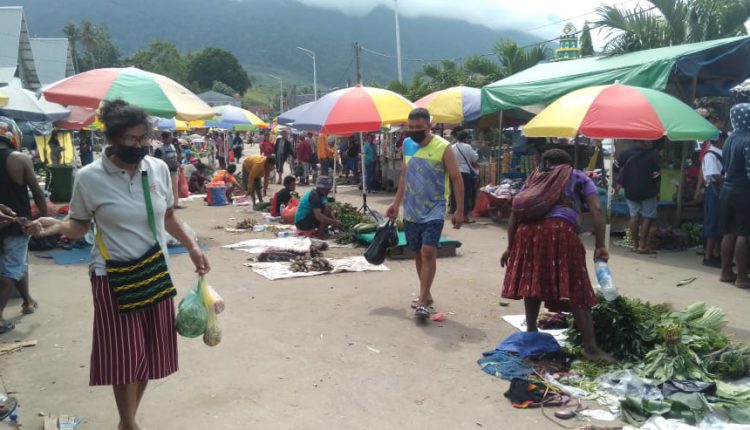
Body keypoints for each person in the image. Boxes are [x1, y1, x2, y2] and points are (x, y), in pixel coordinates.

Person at [24, 100, 210, 430]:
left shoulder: (156, 169)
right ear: (112, 138)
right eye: (130, 139)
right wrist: (56, 226)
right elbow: (79, 225)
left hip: (155, 273)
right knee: (125, 358)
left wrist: (193, 247)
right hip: (112, 278)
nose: (139, 145)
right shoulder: (89, 177)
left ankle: (127, 421)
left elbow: (168, 216)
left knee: (150, 355)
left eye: (143, 138)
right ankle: (128, 422)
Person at [501, 149, 611, 361]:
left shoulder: (534, 178)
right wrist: (600, 245)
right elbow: (596, 209)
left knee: (531, 281)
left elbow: (515, 212)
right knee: (577, 286)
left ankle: (531, 331)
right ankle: (591, 349)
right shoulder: (577, 176)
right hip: (560, 230)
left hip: (527, 234)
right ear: (568, 164)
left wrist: (509, 246)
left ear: (545, 162)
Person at [385, 108, 464, 319]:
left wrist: (459, 210)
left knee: (428, 251)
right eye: (411, 127)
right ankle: (426, 294)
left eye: (419, 127)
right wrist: (396, 203)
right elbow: (404, 175)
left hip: (435, 208)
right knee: (418, 252)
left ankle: (422, 300)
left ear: (429, 126)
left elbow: (456, 178)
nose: (414, 131)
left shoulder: (444, 147)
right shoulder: (407, 144)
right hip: (412, 209)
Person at [0, 130, 47, 333]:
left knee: (19, 264)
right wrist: (44, 220)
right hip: (17, 224)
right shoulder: (19, 159)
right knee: (11, 270)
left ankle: (27, 301)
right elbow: (37, 193)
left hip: (7, 223)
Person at [720, 103, 750, 288]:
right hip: (744, 191)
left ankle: (726, 272)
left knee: (729, 231)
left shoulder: (729, 139)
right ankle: (742, 277)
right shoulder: (748, 140)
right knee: (743, 233)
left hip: (727, 190)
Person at [614, 140, 662, 254]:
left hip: (630, 190)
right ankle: (642, 246)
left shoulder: (625, 154)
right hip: (648, 190)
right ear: (646, 141)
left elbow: (615, 167)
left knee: (634, 216)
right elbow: (656, 176)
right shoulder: (653, 155)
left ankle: (635, 245)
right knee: (647, 217)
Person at [701, 132, 726, 268]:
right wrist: (728, 177)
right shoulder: (710, 155)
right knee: (713, 222)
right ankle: (708, 256)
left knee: (719, 223)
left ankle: (716, 254)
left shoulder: (719, 153)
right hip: (714, 190)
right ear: (720, 140)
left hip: (719, 190)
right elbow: (714, 175)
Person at [450, 129, 479, 223]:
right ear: (466, 138)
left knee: (454, 193)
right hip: (465, 173)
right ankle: (465, 216)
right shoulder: (467, 147)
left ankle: (454, 215)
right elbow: (475, 158)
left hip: (454, 172)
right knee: (465, 194)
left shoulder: (452, 147)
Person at [154, 131, 184, 209]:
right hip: (164, 171)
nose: (171, 139)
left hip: (174, 170)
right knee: (165, 188)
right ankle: (166, 205)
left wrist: (179, 163)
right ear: (164, 139)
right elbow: (156, 161)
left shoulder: (172, 146)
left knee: (175, 187)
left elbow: (176, 156)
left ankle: (175, 204)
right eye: (169, 138)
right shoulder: (159, 149)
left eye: (171, 138)